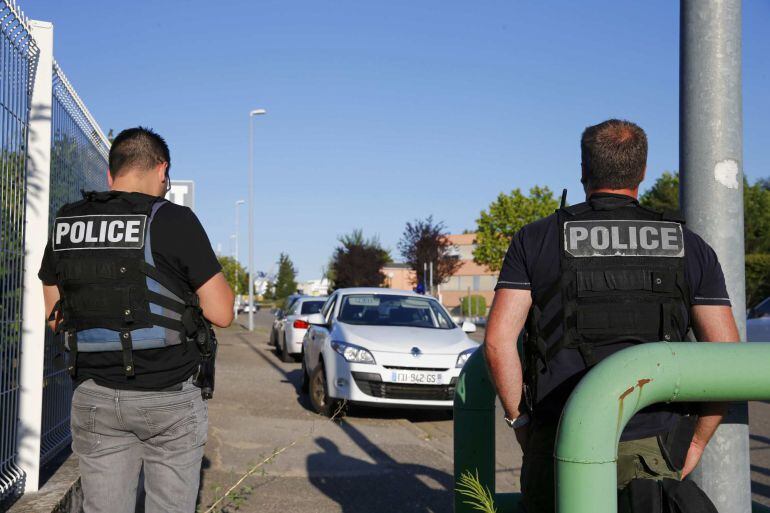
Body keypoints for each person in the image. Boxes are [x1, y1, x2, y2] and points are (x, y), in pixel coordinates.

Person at [484, 119, 739, 513]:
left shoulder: (536, 238)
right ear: (642, 172)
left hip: (558, 437)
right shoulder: (688, 245)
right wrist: (698, 441)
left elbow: (499, 342)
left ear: (584, 169)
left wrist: (521, 424)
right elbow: (727, 357)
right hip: (652, 445)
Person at [39, 127, 235, 513]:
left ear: (110, 176)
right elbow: (222, 313)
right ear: (162, 171)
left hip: (93, 394)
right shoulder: (175, 219)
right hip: (168, 398)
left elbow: (56, 318)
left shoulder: (68, 222)